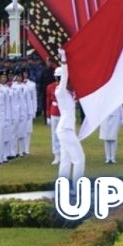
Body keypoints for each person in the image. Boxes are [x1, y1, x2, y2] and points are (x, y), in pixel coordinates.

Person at [54, 52, 86, 184]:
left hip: (67, 129)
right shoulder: (60, 90)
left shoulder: (68, 92)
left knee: (65, 160)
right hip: (65, 129)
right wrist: (64, 59)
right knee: (79, 159)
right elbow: (65, 78)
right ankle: (77, 187)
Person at [45, 68, 62, 165]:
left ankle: (65, 155)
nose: (58, 79)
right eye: (57, 77)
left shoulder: (66, 87)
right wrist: (48, 115)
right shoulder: (50, 87)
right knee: (54, 134)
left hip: (63, 113)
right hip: (54, 112)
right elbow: (48, 101)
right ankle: (57, 155)